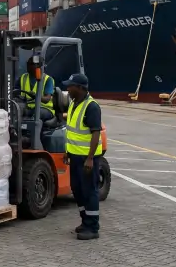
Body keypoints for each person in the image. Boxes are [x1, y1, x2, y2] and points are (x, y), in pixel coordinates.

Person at [62, 73, 103, 240]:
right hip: (75, 156)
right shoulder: (73, 103)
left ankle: (93, 227)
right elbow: (72, 130)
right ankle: (85, 221)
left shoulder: (92, 107)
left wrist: (90, 158)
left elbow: (95, 134)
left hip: (87, 159)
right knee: (77, 189)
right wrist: (67, 151)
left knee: (89, 191)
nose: (67, 88)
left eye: (70, 86)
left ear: (80, 88)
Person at [20, 57, 54, 122]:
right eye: (27, 63)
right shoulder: (23, 77)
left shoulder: (47, 79)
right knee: (15, 110)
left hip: (44, 108)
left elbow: (47, 99)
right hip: (28, 107)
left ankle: (32, 131)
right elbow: (15, 91)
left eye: (30, 64)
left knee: (37, 114)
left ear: (38, 66)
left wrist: (36, 96)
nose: (28, 66)